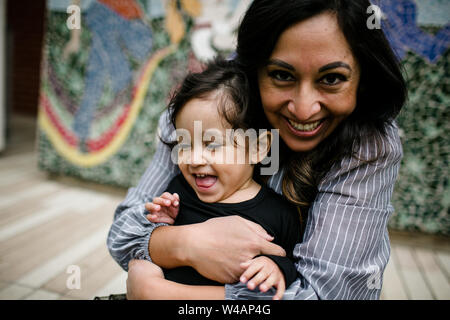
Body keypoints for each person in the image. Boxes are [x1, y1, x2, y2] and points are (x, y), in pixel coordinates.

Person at [108, 0, 407, 300]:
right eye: (282, 75)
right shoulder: (208, 107)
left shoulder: (369, 145)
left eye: (331, 79)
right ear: (255, 70)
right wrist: (186, 243)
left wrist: (160, 294)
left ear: (362, 79)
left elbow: (324, 295)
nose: (304, 110)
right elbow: (123, 230)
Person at [126, 58, 301, 300]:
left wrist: (277, 268)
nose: (194, 159)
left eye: (213, 144)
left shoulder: (280, 214)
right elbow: (146, 245)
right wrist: (162, 224)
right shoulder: (179, 193)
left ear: (258, 147)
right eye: (184, 144)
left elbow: (291, 264)